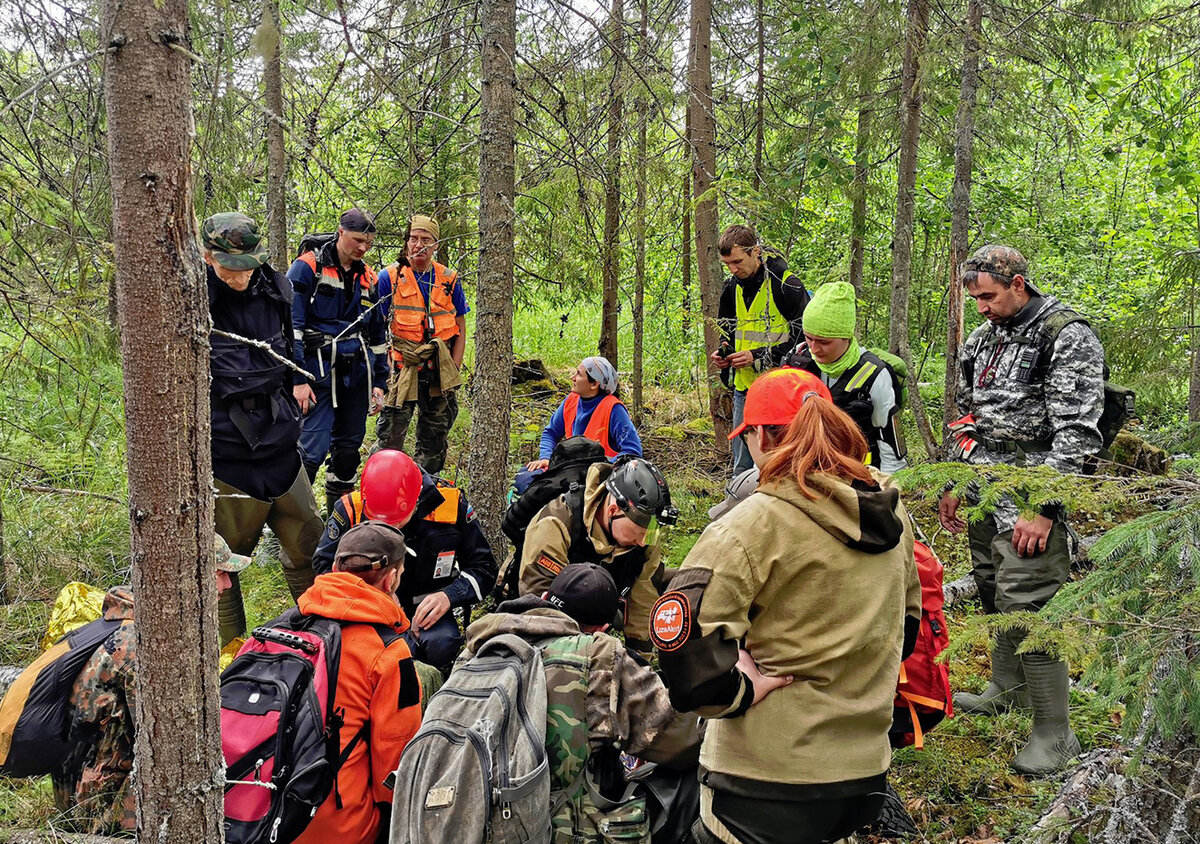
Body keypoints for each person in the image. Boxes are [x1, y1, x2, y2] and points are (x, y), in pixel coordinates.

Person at [652, 369, 921, 844]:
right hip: (863, 775)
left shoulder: (753, 523)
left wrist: (740, 691)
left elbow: (682, 646)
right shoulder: (890, 511)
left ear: (758, 436)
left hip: (763, 781)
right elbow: (909, 626)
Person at [939, 244, 1104, 775]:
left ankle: (1056, 735)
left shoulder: (1065, 334)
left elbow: (1078, 430)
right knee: (993, 588)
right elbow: (966, 415)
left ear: (1018, 283)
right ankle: (1006, 686)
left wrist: (1047, 508)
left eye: (988, 297)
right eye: (974, 298)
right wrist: (955, 482)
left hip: (1032, 495)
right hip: (984, 486)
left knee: (1030, 602)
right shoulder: (982, 341)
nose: (981, 307)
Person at [465, 564, 702, 842]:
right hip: (551, 830)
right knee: (695, 776)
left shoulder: (479, 646)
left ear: (543, 599)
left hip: (470, 822)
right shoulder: (597, 658)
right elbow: (683, 743)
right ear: (601, 629)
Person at [51, 536, 249, 834]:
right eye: (220, 573)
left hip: (87, 787)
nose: (227, 585)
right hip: (98, 805)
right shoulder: (145, 646)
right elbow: (173, 739)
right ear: (185, 577)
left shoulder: (135, 624)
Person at [202, 212, 322, 645]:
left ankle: (320, 637)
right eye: (231, 267)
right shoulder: (191, 299)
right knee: (221, 571)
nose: (242, 276)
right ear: (207, 256)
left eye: (249, 264)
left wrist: (295, 379)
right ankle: (227, 657)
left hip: (282, 448)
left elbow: (289, 346)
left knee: (309, 546)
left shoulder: (274, 287)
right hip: (230, 460)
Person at [293, 521, 423, 844]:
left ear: (336, 568)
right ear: (391, 579)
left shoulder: (289, 624)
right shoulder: (389, 654)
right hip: (340, 829)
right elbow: (393, 780)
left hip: (266, 815)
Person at [313, 449, 497, 673]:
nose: (388, 531)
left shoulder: (449, 506)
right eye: (378, 523)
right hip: (366, 606)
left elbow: (484, 569)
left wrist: (449, 596)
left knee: (442, 645)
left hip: (427, 607)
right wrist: (374, 597)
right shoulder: (351, 508)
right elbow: (324, 568)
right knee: (362, 653)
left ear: (416, 501)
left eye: (396, 523)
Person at [518, 456, 678, 654]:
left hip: (599, 609)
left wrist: (640, 663)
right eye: (639, 532)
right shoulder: (556, 523)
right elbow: (539, 602)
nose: (643, 542)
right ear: (613, 510)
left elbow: (644, 605)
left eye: (651, 533)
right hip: (544, 612)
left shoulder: (644, 538)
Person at [288, 208, 390, 511]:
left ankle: (337, 520)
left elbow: (377, 336)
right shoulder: (307, 268)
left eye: (368, 244)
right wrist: (297, 380)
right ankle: (287, 527)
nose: (362, 248)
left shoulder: (368, 277)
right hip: (315, 375)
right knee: (309, 453)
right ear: (341, 232)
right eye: (358, 240)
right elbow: (290, 329)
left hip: (356, 376)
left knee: (347, 454)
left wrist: (379, 383)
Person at [711, 224, 810, 475]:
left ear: (755, 251)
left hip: (782, 392)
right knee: (742, 465)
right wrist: (724, 352)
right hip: (745, 390)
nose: (733, 269)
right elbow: (728, 332)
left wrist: (756, 356)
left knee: (781, 463)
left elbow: (805, 341)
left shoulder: (786, 284)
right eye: (727, 264)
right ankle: (737, 508)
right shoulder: (731, 287)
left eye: (737, 261)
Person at [375, 215, 469, 474]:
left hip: (439, 370)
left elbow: (460, 327)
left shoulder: (449, 279)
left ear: (436, 244)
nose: (419, 245)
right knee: (390, 438)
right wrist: (383, 371)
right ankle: (384, 487)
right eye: (414, 238)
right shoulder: (389, 277)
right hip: (402, 370)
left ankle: (426, 490)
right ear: (406, 242)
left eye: (426, 240)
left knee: (434, 439)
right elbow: (376, 328)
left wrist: (454, 367)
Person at [786, 281, 908, 473]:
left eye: (824, 342)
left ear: (846, 337)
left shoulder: (875, 376)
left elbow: (890, 450)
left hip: (858, 475)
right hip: (805, 474)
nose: (814, 349)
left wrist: (887, 495)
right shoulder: (799, 362)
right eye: (809, 338)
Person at [523, 356, 643, 475]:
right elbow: (551, 433)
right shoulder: (571, 400)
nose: (572, 378)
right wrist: (546, 458)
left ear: (594, 384)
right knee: (524, 478)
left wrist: (600, 468)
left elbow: (633, 451)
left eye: (579, 374)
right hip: (569, 471)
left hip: (599, 478)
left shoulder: (614, 409)